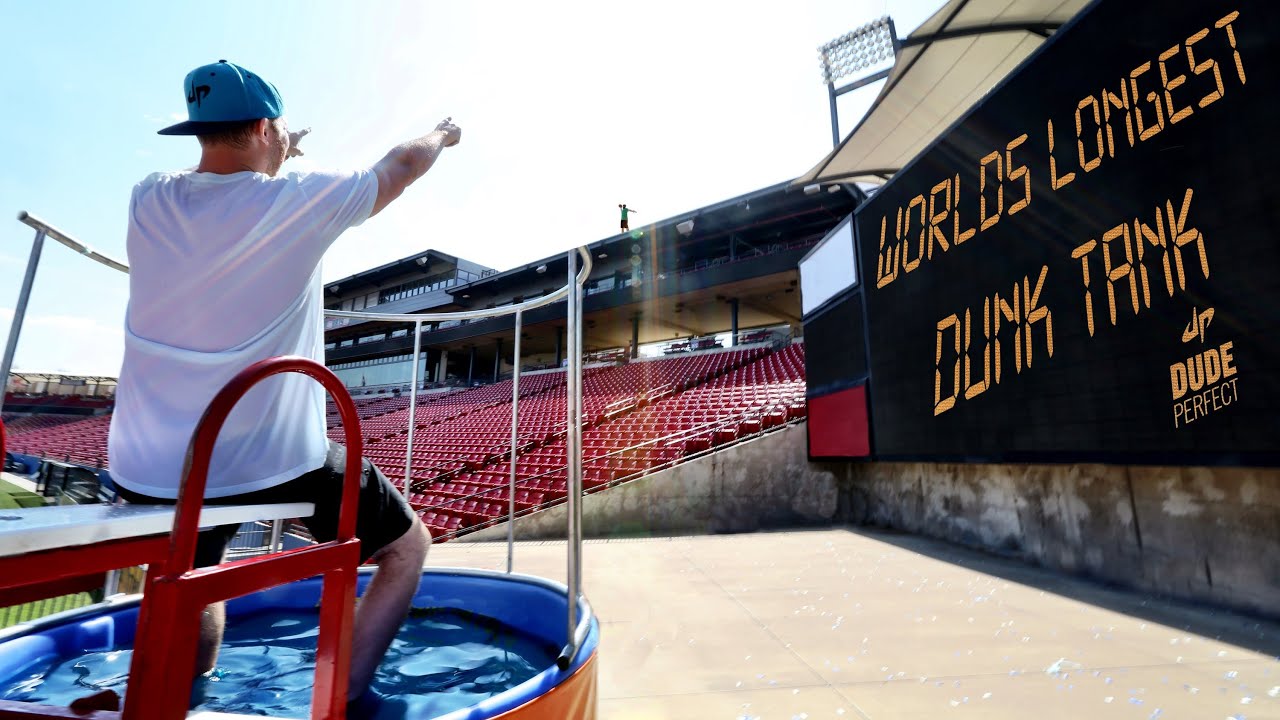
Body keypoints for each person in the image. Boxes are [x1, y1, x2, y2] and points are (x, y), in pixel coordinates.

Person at [106, 60, 460, 701]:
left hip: (150, 467)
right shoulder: (297, 200)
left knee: (194, 570)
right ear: (266, 126)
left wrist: (280, 149)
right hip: (264, 459)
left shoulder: (147, 195)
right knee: (407, 548)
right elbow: (401, 165)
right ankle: (342, 697)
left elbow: (220, 180)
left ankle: (181, 691)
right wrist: (442, 134)